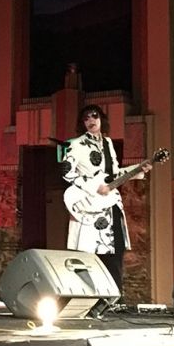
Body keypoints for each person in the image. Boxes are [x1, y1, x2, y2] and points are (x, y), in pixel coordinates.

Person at [61, 104, 151, 292]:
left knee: (116, 250)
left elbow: (115, 174)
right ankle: (91, 297)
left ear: (102, 119)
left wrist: (137, 170)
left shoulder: (108, 143)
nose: (91, 120)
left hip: (111, 204)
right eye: (86, 118)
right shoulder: (76, 145)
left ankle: (115, 297)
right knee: (90, 254)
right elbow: (67, 172)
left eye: (94, 116)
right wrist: (94, 186)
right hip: (90, 206)